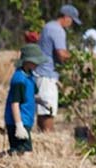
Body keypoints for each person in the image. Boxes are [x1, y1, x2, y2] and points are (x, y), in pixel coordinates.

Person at [35, 4, 81, 132]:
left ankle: (43, 138)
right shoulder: (58, 30)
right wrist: (77, 59)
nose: (71, 24)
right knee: (48, 111)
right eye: (71, 21)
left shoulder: (48, 26)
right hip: (47, 75)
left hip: (40, 73)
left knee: (42, 110)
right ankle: (48, 137)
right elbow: (61, 54)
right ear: (66, 17)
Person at [5, 45, 49, 154]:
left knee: (22, 152)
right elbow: (15, 104)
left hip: (27, 120)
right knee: (24, 153)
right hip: (19, 121)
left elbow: (29, 96)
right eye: (35, 61)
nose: (37, 64)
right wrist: (19, 126)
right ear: (27, 61)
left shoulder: (29, 77)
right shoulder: (19, 79)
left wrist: (42, 102)